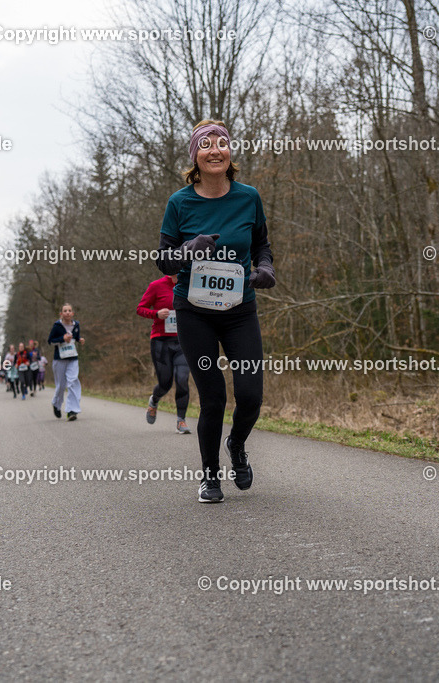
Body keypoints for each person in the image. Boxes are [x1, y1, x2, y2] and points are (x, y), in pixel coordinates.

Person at [155, 119, 275, 503]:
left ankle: (236, 445)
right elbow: (163, 260)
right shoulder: (180, 202)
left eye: (221, 142)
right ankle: (210, 478)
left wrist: (266, 268)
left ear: (229, 152)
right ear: (195, 156)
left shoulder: (248, 197)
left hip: (240, 309)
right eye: (205, 144)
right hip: (194, 311)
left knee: (251, 396)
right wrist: (189, 249)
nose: (215, 149)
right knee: (213, 398)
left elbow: (262, 246)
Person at [137, 275, 192, 434]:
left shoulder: (190, 283)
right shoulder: (156, 285)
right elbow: (140, 308)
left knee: (182, 378)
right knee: (165, 383)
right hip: (161, 341)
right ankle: (154, 400)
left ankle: (181, 421)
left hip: (183, 341)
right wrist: (156, 314)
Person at [48, 303, 85, 421]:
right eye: (65, 311)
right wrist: (62, 339)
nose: (67, 312)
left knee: (73, 381)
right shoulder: (57, 326)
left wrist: (80, 340)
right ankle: (56, 404)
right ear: (61, 314)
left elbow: (76, 337)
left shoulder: (76, 325)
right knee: (61, 386)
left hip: (73, 358)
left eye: (69, 310)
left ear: (72, 313)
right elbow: (50, 341)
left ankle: (72, 410)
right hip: (59, 359)